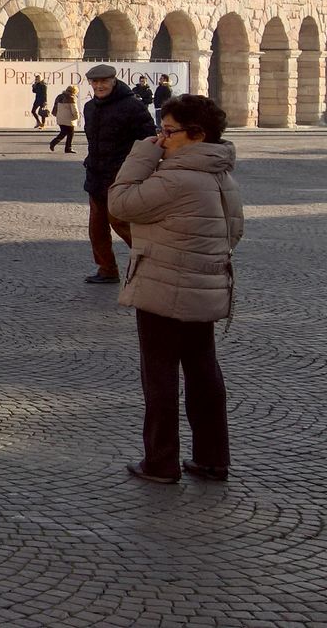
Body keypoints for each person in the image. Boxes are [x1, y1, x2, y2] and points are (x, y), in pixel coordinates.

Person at [107, 94, 241, 485]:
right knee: (204, 372)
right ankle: (212, 458)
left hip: (163, 287)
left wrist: (142, 154)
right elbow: (235, 230)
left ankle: (161, 462)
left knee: (160, 377)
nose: (161, 139)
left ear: (196, 135)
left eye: (168, 132)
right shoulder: (223, 175)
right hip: (206, 286)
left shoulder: (174, 178)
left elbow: (120, 202)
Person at [81, 63, 155, 285]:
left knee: (121, 222)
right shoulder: (89, 107)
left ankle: (153, 263)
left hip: (122, 175)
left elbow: (148, 139)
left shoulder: (132, 106)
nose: (99, 86)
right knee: (96, 227)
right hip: (96, 175)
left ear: (114, 81)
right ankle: (107, 269)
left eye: (104, 81)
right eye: (95, 82)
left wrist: (138, 169)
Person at [48, 85, 78, 154]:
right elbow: (74, 110)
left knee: (63, 132)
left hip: (60, 118)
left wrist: (55, 114)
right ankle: (68, 148)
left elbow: (55, 106)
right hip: (69, 119)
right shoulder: (71, 98)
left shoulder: (59, 96)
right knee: (70, 133)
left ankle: (54, 142)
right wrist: (76, 117)